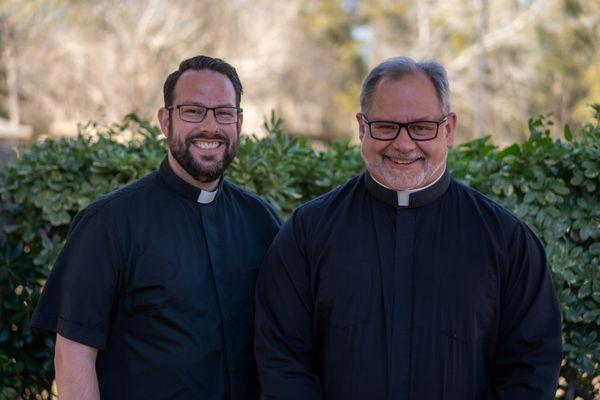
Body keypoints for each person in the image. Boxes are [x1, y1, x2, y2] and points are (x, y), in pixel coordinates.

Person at [255, 56, 562, 400]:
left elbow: (532, 365)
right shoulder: (307, 233)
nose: (403, 144)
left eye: (421, 127)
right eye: (386, 126)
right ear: (361, 127)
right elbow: (283, 359)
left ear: (448, 129)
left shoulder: (506, 240)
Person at [31, 55, 280, 400]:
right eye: (193, 110)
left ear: (238, 123)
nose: (210, 126)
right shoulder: (109, 223)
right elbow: (74, 352)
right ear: (166, 121)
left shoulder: (262, 221)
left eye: (224, 113)